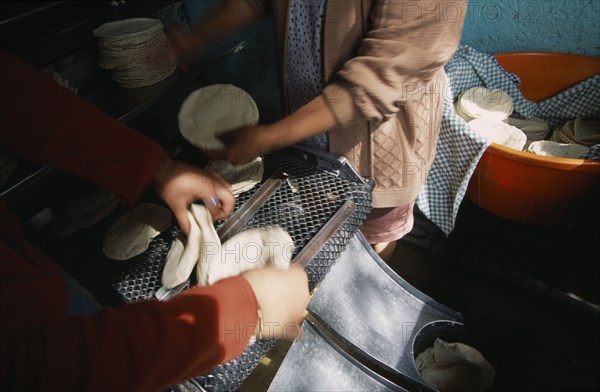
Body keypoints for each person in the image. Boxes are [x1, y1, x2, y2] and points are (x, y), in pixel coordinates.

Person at [0, 48, 309, 391]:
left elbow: (13, 96)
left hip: (33, 282)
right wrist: (243, 307)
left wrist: (154, 168)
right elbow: (45, 371)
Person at [168, 0, 468, 262]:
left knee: (371, 241)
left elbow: (378, 80)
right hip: (306, 137)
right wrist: (197, 37)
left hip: (377, 150)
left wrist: (269, 138)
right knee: (320, 226)